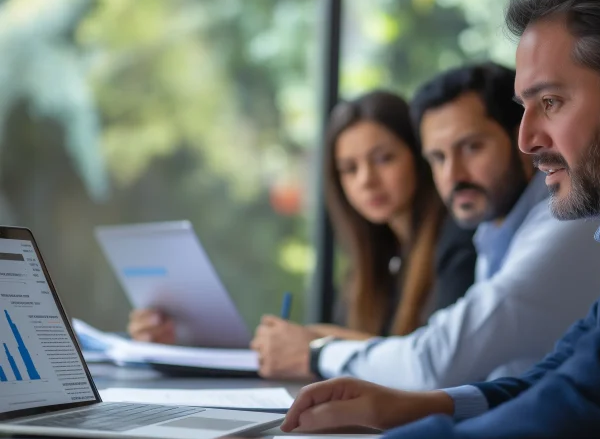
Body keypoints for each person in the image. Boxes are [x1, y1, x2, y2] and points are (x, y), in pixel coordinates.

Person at [159, 0, 600, 439]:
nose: (528, 139)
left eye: (550, 103)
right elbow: (565, 372)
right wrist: (423, 407)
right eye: (524, 108)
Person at [251, 62, 600, 388]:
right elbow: (482, 383)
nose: (453, 175)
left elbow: (436, 363)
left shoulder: (565, 218)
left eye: (471, 148)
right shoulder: (491, 233)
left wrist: (317, 351)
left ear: (523, 140)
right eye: (438, 157)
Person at [127, 91, 478, 359]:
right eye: (349, 169)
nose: (366, 181)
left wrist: (315, 341)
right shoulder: (371, 268)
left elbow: (431, 357)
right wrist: (183, 340)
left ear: (419, 156)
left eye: (384, 159)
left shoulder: (457, 242)